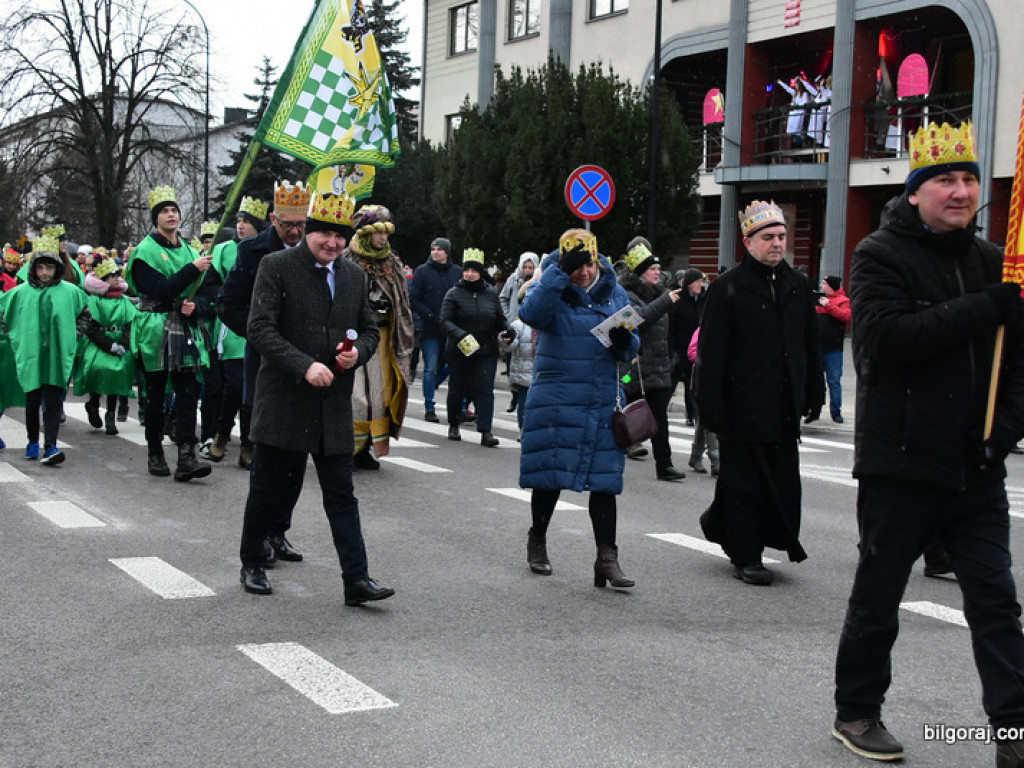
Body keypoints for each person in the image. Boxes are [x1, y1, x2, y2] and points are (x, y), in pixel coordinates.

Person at [832, 122, 1024, 766]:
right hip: (902, 463)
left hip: (977, 467)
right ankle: (857, 711)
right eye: (945, 179)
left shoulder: (996, 261)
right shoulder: (878, 254)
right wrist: (991, 306)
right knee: (879, 594)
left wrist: (1003, 433)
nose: (961, 190)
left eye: (969, 179)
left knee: (996, 602)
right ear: (915, 192)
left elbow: (1017, 366)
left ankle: (1013, 729)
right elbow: (887, 344)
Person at [237, 189, 394, 606]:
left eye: (340, 237)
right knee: (268, 488)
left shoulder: (353, 276)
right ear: (308, 231)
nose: (332, 243)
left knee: (342, 494)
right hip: (285, 399)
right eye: (325, 234)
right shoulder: (276, 266)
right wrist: (304, 364)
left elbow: (370, 330)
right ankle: (252, 560)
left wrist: (355, 354)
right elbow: (260, 328)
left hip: (332, 406)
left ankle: (356, 579)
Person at [696, 200, 823, 585]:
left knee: (781, 483)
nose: (777, 244)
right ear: (748, 242)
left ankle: (725, 524)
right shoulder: (727, 288)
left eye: (782, 236)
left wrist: (814, 391)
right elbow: (711, 353)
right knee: (744, 484)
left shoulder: (798, 286)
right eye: (768, 237)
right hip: (742, 406)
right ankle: (746, 554)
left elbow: (809, 345)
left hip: (784, 406)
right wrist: (710, 406)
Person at [518, 229, 640, 588]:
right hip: (557, 397)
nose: (583, 273)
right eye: (575, 266)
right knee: (550, 477)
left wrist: (624, 342)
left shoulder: (614, 291)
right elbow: (531, 314)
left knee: (604, 481)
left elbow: (631, 347)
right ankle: (537, 539)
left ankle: (607, 558)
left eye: (587, 264)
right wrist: (556, 273)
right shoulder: (553, 290)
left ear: (597, 260)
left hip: (602, 399)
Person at [219, 180, 310, 471]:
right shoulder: (251, 251)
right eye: (287, 225)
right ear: (273, 220)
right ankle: (250, 449)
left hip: (305, 352)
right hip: (264, 353)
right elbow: (228, 303)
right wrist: (258, 332)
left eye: (301, 225)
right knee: (262, 417)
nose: (295, 232)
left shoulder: (315, 249)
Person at [125, 186, 213, 482]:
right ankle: (154, 451)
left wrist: (196, 307)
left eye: (174, 209)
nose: (171, 214)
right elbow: (161, 289)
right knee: (156, 393)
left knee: (188, 394)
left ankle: (187, 455)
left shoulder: (190, 250)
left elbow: (208, 294)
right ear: (155, 217)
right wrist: (192, 269)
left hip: (183, 326)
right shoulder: (145, 253)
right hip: (156, 327)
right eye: (164, 210)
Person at [0, 234, 90, 465]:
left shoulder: (70, 292)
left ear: (56, 268)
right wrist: (15, 339)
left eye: (49, 267)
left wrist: (75, 336)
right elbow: (4, 316)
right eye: (40, 267)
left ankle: (50, 445)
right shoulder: (20, 294)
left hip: (58, 354)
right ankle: (32, 441)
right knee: (32, 399)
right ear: (33, 268)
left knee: (54, 400)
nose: (45, 273)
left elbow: (85, 315)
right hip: (31, 355)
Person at [342, 204, 415, 469]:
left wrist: (389, 307)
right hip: (357, 338)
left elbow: (402, 301)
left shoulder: (392, 261)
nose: (383, 238)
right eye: (377, 232)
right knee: (357, 395)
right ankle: (348, 449)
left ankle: (366, 448)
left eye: (386, 232)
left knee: (381, 395)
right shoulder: (347, 258)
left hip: (385, 338)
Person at [204, 196, 268, 463]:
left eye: (247, 221)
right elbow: (212, 285)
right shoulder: (222, 250)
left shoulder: (268, 249)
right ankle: (221, 432)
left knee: (253, 388)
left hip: (263, 324)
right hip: (232, 328)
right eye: (238, 220)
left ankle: (248, 444)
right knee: (233, 385)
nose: (241, 226)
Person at [618, 241, 685, 480]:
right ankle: (622, 448)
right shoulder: (626, 296)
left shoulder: (659, 295)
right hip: (632, 370)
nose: (658, 272)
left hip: (656, 368)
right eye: (652, 268)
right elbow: (638, 319)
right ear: (639, 273)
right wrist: (666, 301)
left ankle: (664, 465)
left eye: (658, 268)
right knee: (624, 411)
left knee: (659, 418)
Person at [439, 248, 511, 447]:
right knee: (457, 388)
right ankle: (454, 424)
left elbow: (499, 319)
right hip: (459, 350)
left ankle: (486, 431)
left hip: (485, 350)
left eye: (474, 270)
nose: (470, 274)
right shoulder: (453, 294)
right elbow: (444, 321)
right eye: (467, 270)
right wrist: (461, 335)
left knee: (485, 390)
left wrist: (507, 329)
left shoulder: (490, 294)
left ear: (480, 272)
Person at [75, 257, 137, 436]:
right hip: (100, 343)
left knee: (118, 372)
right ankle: (93, 403)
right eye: (112, 276)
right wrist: (109, 345)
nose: (117, 278)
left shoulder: (123, 300)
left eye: (118, 275)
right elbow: (90, 327)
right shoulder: (95, 300)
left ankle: (111, 415)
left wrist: (123, 344)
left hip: (119, 342)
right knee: (98, 369)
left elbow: (130, 323)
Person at [409, 237, 462, 423]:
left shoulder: (457, 272)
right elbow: (413, 298)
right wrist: (429, 315)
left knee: (454, 366)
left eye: (439, 249)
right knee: (430, 367)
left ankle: (460, 406)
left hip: (452, 328)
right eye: (433, 248)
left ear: (447, 252)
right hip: (430, 328)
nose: (435, 252)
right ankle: (429, 406)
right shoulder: (422, 271)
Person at [500, 251, 539, 413]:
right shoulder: (514, 279)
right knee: (512, 366)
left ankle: (523, 398)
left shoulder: (539, 281)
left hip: (532, 329)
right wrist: (508, 316)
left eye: (531, 267)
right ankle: (514, 395)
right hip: (515, 325)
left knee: (528, 368)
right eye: (525, 267)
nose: (528, 270)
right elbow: (503, 297)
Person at [811, 275, 851, 424]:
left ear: (831, 286)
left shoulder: (843, 301)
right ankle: (814, 409)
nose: (822, 286)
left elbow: (846, 316)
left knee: (834, 381)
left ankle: (836, 412)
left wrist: (828, 305)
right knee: (816, 380)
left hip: (834, 349)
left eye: (824, 284)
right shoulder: (819, 300)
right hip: (817, 348)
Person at [670, 267, 705, 426]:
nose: (701, 284)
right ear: (690, 283)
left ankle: (692, 415)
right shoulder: (679, 300)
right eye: (698, 281)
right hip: (678, 351)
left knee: (692, 387)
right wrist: (672, 351)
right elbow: (671, 328)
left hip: (693, 352)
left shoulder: (701, 300)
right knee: (670, 385)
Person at [686, 326, 719, 476]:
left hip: (719, 382)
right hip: (702, 382)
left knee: (703, 420)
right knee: (710, 418)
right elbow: (692, 352)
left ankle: (695, 456)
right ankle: (716, 459)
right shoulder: (702, 329)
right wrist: (709, 359)